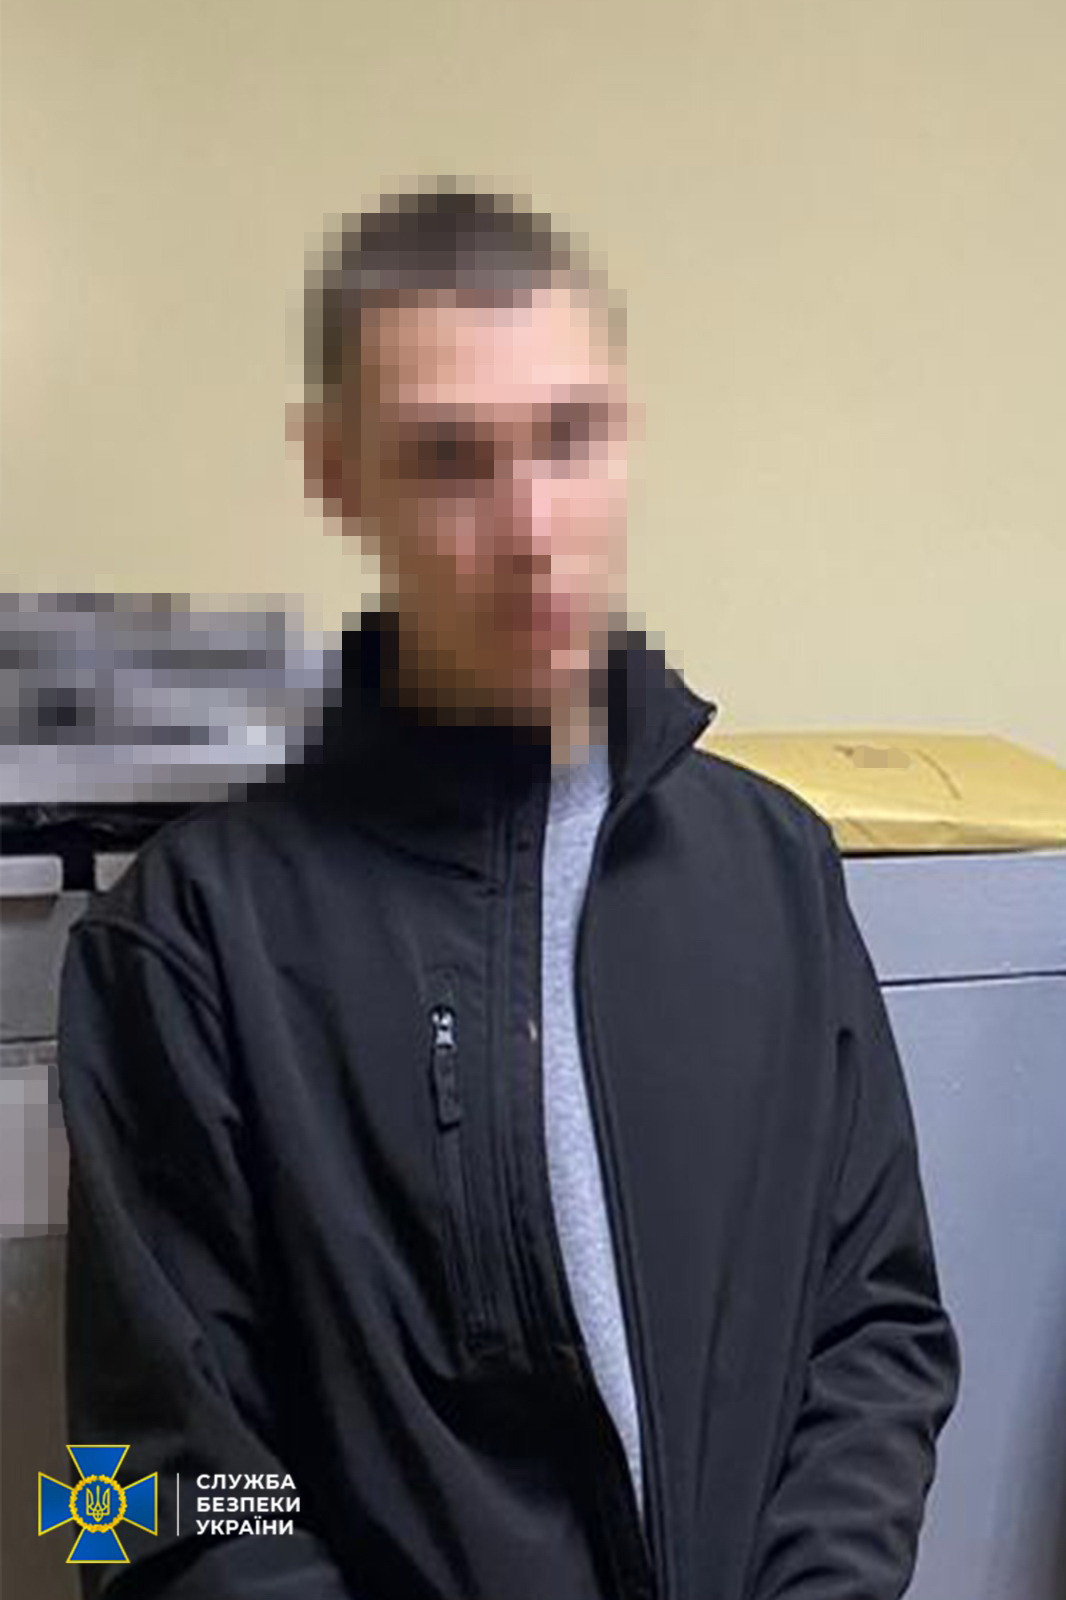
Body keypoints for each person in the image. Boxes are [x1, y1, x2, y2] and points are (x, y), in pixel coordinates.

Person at [57, 184, 961, 1600]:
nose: (532, 526)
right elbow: (128, 1494)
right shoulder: (185, 938)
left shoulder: (773, 868)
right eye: (450, 459)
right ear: (339, 475)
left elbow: (878, 1332)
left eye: (568, 437)